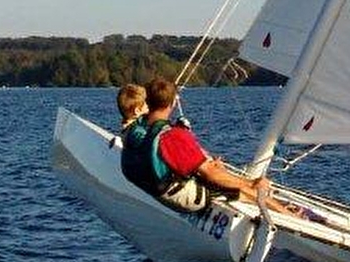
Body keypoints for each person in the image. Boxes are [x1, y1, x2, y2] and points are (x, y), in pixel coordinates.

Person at [116, 78, 277, 214]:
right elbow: (211, 174)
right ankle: (295, 218)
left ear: (148, 102)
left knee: (217, 172)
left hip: (156, 187)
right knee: (248, 191)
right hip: (183, 197)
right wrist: (252, 183)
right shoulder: (172, 135)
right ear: (172, 103)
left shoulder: (136, 129)